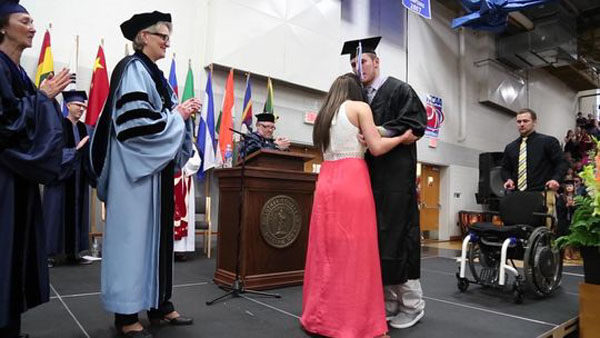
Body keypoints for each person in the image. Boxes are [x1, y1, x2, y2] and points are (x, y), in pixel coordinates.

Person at [89, 11, 201, 338]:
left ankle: (159, 305)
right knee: (132, 244)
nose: (167, 41)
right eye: (162, 35)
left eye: (168, 36)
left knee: (156, 243)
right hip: (135, 175)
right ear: (143, 37)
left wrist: (181, 116)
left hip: (155, 173)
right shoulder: (133, 69)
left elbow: (161, 117)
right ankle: (125, 316)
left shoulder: (154, 74)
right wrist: (177, 115)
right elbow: (135, 125)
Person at [301, 73, 408, 338]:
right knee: (358, 254)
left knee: (325, 252)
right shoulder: (360, 107)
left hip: (326, 181)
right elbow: (377, 147)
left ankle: (319, 319)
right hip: (352, 181)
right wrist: (402, 138)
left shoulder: (324, 114)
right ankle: (356, 323)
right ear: (356, 89)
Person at [342, 36, 427, 329]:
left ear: (376, 62)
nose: (358, 68)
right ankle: (389, 301)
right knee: (376, 240)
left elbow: (416, 126)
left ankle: (413, 304)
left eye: (362, 61)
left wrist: (376, 130)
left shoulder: (400, 89)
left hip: (395, 177)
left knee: (397, 237)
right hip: (369, 177)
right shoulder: (358, 98)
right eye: (353, 63)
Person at [0, 1, 72, 337]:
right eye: (24, 21)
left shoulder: (19, 73)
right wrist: (42, 97)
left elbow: (33, 118)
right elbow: (6, 123)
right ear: (3, 26)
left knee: (17, 251)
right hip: (2, 178)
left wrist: (42, 99)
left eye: (33, 21)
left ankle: (9, 322)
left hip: (20, 178)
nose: (32, 27)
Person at [43, 90, 93, 268]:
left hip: (79, 179)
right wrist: (75, 150)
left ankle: (74, 252)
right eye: (78, 105)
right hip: (61, 179)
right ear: (67, 105)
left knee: (77, 212)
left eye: (84, 106)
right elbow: (52, 153)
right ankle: (48, 255)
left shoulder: (85, 129)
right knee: (55, 214)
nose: (82, 109)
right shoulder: (57, 127)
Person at [501, 108, 568, 228]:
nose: (521, 124)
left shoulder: (548, 142)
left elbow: (562, 163)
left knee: (546, 230)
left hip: (542, 194)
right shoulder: (510, 147)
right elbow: (505, 169)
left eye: (525, 121)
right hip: (519, 196)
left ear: (534, 122)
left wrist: (556, 179)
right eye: (519, 121)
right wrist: (508, 179)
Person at [173, 144, 201, 261]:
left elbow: (195, 162)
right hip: (167, 181)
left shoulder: (188, 143)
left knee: (183, 211)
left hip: (183, 180)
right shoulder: (166, 137)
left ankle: (180, 250)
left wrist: (182, 164)